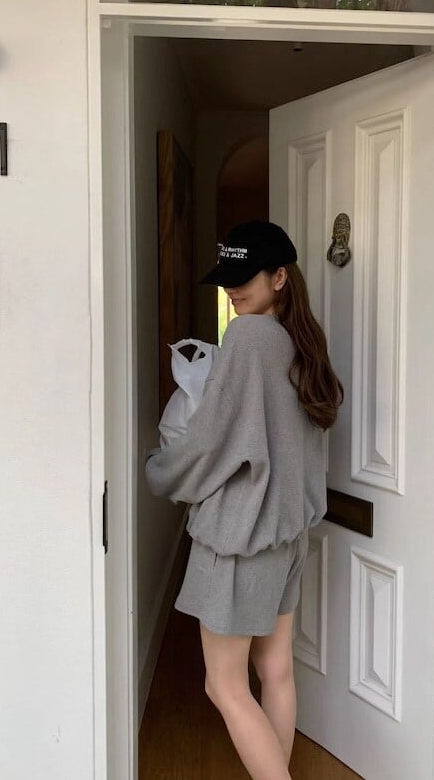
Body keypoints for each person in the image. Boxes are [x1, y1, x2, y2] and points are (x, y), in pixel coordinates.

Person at [145, 219, 343, 780]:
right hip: (286, 538)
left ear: (280, 277)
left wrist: (160, 471)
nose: (232, 289)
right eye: (227, 277)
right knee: (274, 669)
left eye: (245, 276)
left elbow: (211, 442)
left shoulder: (249, 338)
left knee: (224, 686)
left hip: (240, 538)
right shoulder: (302, 342)